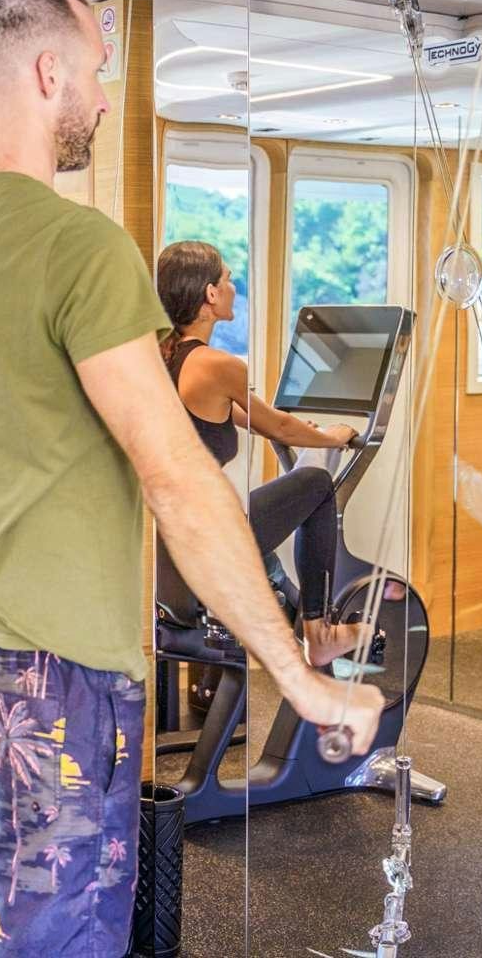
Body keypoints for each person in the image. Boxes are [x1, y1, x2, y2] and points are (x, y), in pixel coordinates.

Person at [0, 0, 386, 958]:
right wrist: (303, 681)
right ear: (47, 72)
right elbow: (178, 477)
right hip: (58, 669)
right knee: (63, 942)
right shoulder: (79, 245)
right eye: (95, 70)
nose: (105, 97)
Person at [154, 240, 374, 668]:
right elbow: (276, 425)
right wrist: (333, 436)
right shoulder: (219, 365)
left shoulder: (163, 355)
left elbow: (225, 415)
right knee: (316, 484)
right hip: (207, 542)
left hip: (177, 537)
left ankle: (301, 623)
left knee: (267, 544)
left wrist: (300, 430)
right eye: (229, 279)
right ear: (210, 294)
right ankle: (320, 632)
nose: (233, 287)